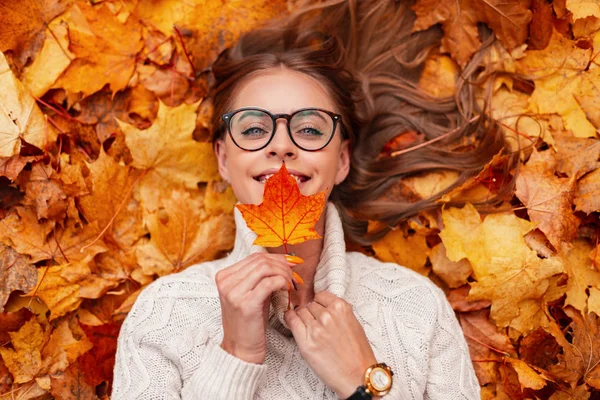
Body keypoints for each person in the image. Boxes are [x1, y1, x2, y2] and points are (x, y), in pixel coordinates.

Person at [112, 0, 512, 399]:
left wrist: (365, 381)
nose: (282, 145)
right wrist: (235, 357)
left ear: (340, 161)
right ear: (222, 158)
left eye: (308, 128)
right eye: (253, 130)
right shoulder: (165, 313)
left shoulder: (414, 305)